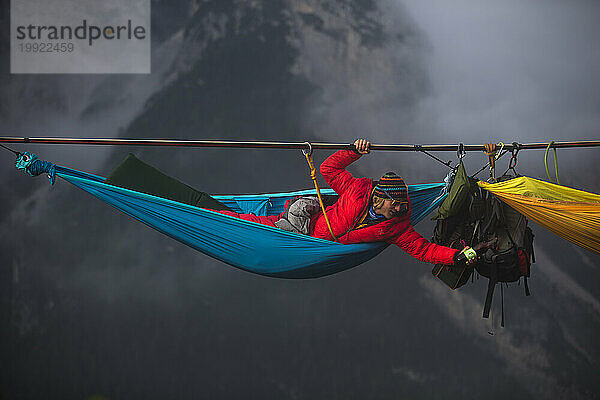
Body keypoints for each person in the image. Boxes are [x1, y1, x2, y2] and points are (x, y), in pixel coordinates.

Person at [217, 138, 476, 266]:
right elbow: (329, 169)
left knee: (265, 235)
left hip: (316, 248)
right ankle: (214, 217)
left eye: (402, 205)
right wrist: (353, 152)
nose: (398, 209)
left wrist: (456, 257)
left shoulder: (397, 227)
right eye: (394, 204)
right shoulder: (356, 189)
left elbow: (424, 250)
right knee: (257, 227)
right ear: (379, 197)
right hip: (303, 228)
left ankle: (217, 219)